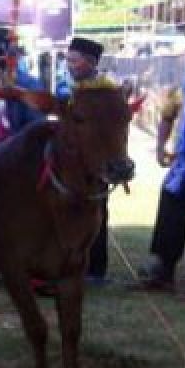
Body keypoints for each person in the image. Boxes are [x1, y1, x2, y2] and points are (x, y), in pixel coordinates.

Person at [130, 41, 185, 302]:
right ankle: (163, 272)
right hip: (184, 169)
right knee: (171, 217)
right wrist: (160, 145)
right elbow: (167, 115)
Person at [57, 36, 111, 285]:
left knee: (95, 212)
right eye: (67, 59)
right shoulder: (67, 84)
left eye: (73, 60)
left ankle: (95, 270)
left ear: (90, 62)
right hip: (68, 160)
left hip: (95, 161)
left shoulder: (103, 90)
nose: (68, 64)